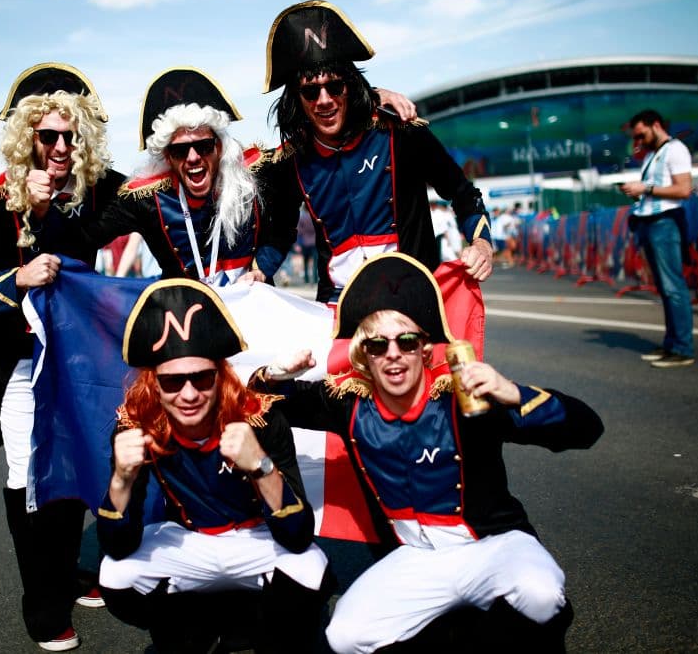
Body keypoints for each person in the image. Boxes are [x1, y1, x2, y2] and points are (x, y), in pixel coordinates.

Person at [255, 252, 603, 652]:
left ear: (424, 349)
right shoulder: (347, 404)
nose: (393, 353)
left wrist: (514, 394)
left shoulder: (465, 400)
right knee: (345, 636)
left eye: (406, 341)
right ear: (363, 354)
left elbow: (587, 429)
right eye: (377, 344)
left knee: (540, 594)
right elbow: (263, 404)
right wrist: (274, 374)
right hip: (416, 558)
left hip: (492, 546)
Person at [0, 62, 122, 651]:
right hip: (17, 365)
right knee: (28, 474)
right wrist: (14, 278)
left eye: (71, 135)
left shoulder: (98, 187)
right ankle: (42, 605)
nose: (61, 147)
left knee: (75, 468)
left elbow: (162, 186)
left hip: (81, 363)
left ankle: (63, 572)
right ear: (28, 138)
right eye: (49, 136)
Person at [97, 279, 332, 652]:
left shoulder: (258, 417)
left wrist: (261, 467)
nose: (189, 394)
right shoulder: (137, 425)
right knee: (115, 574)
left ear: (220, 374)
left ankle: (261, 631)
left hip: (256, 538)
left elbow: (298, 535)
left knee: (312, 570)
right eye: (173, 382)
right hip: (189, 539)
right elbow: (118, 545)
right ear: (154, 383)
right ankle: (191, 629)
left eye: (202, 378)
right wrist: (121, 481)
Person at [262, 0, 494, 303]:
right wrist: (258, 272)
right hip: (337, 306)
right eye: (310, 91)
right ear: (296, 99)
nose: (324, 100)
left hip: (410, 298)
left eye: (335, 87)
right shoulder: (289, 161)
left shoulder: (403, 132)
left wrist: (482, 244)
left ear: (350, 86)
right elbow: (279, 232)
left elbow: (462, 193)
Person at [81, 67, 294, 285]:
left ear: (219, 146)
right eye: (180, 150)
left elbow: (285, 222)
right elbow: (84, 238)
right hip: (186, 306)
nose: (193, 157)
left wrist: (262, 268)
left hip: (251, 301)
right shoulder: (146, 198)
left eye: (203, 146)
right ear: (167, 156)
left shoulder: (254, 175)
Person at [620, 109, 695, 368]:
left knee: (673, 287)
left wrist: (646, 188)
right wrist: (639, 191)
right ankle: (672, 344)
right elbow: (657, 190)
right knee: (665, 288)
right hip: (650, 222)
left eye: (641, 134)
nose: (638, 140)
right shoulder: (652, 155)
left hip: (665, 222)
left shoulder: (675, 150)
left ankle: (682, 348)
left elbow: (684, 189)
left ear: (656, 125)